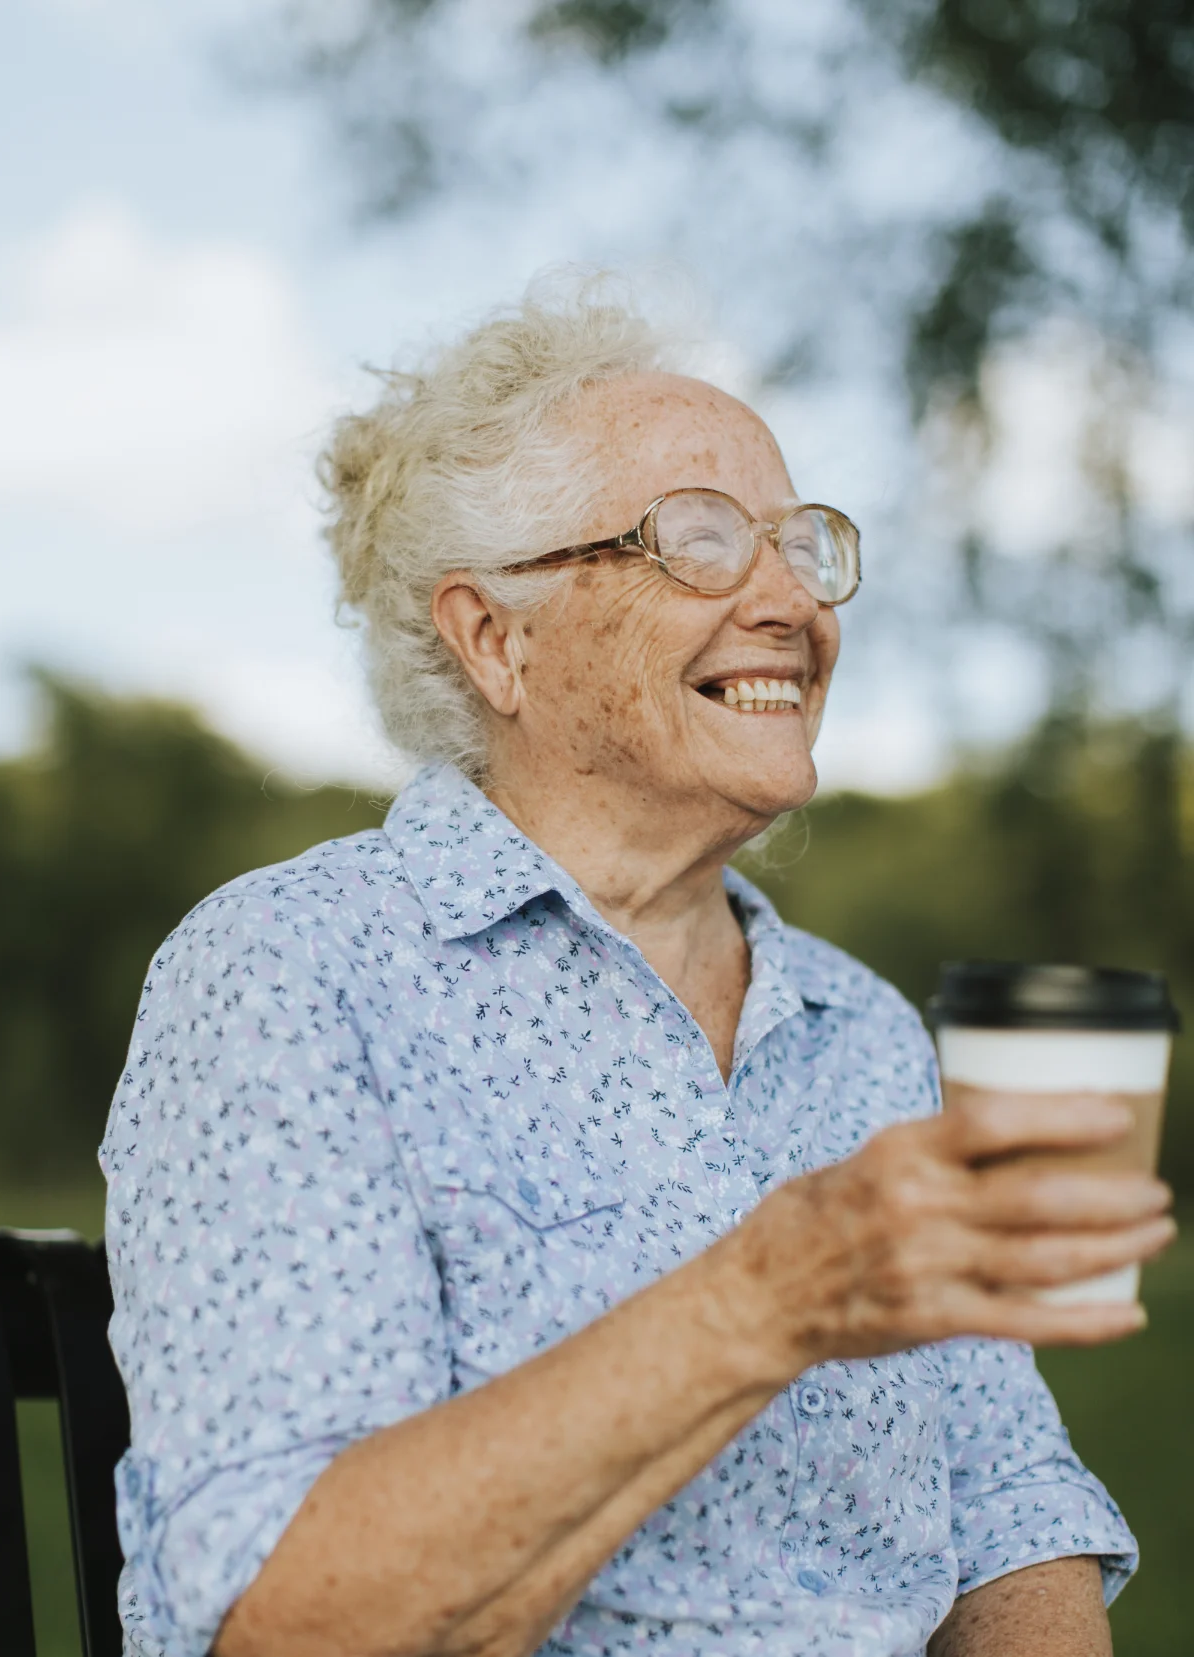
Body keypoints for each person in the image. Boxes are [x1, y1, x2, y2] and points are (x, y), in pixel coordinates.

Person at [101, 283, 1173, 1657]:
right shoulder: (293, 976)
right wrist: (777, 1289)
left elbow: (1009, 1507)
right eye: (701, 544)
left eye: (803, 545)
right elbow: (292, 1620)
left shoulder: (861, 1029)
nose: (791, 600)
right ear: (496, 639)